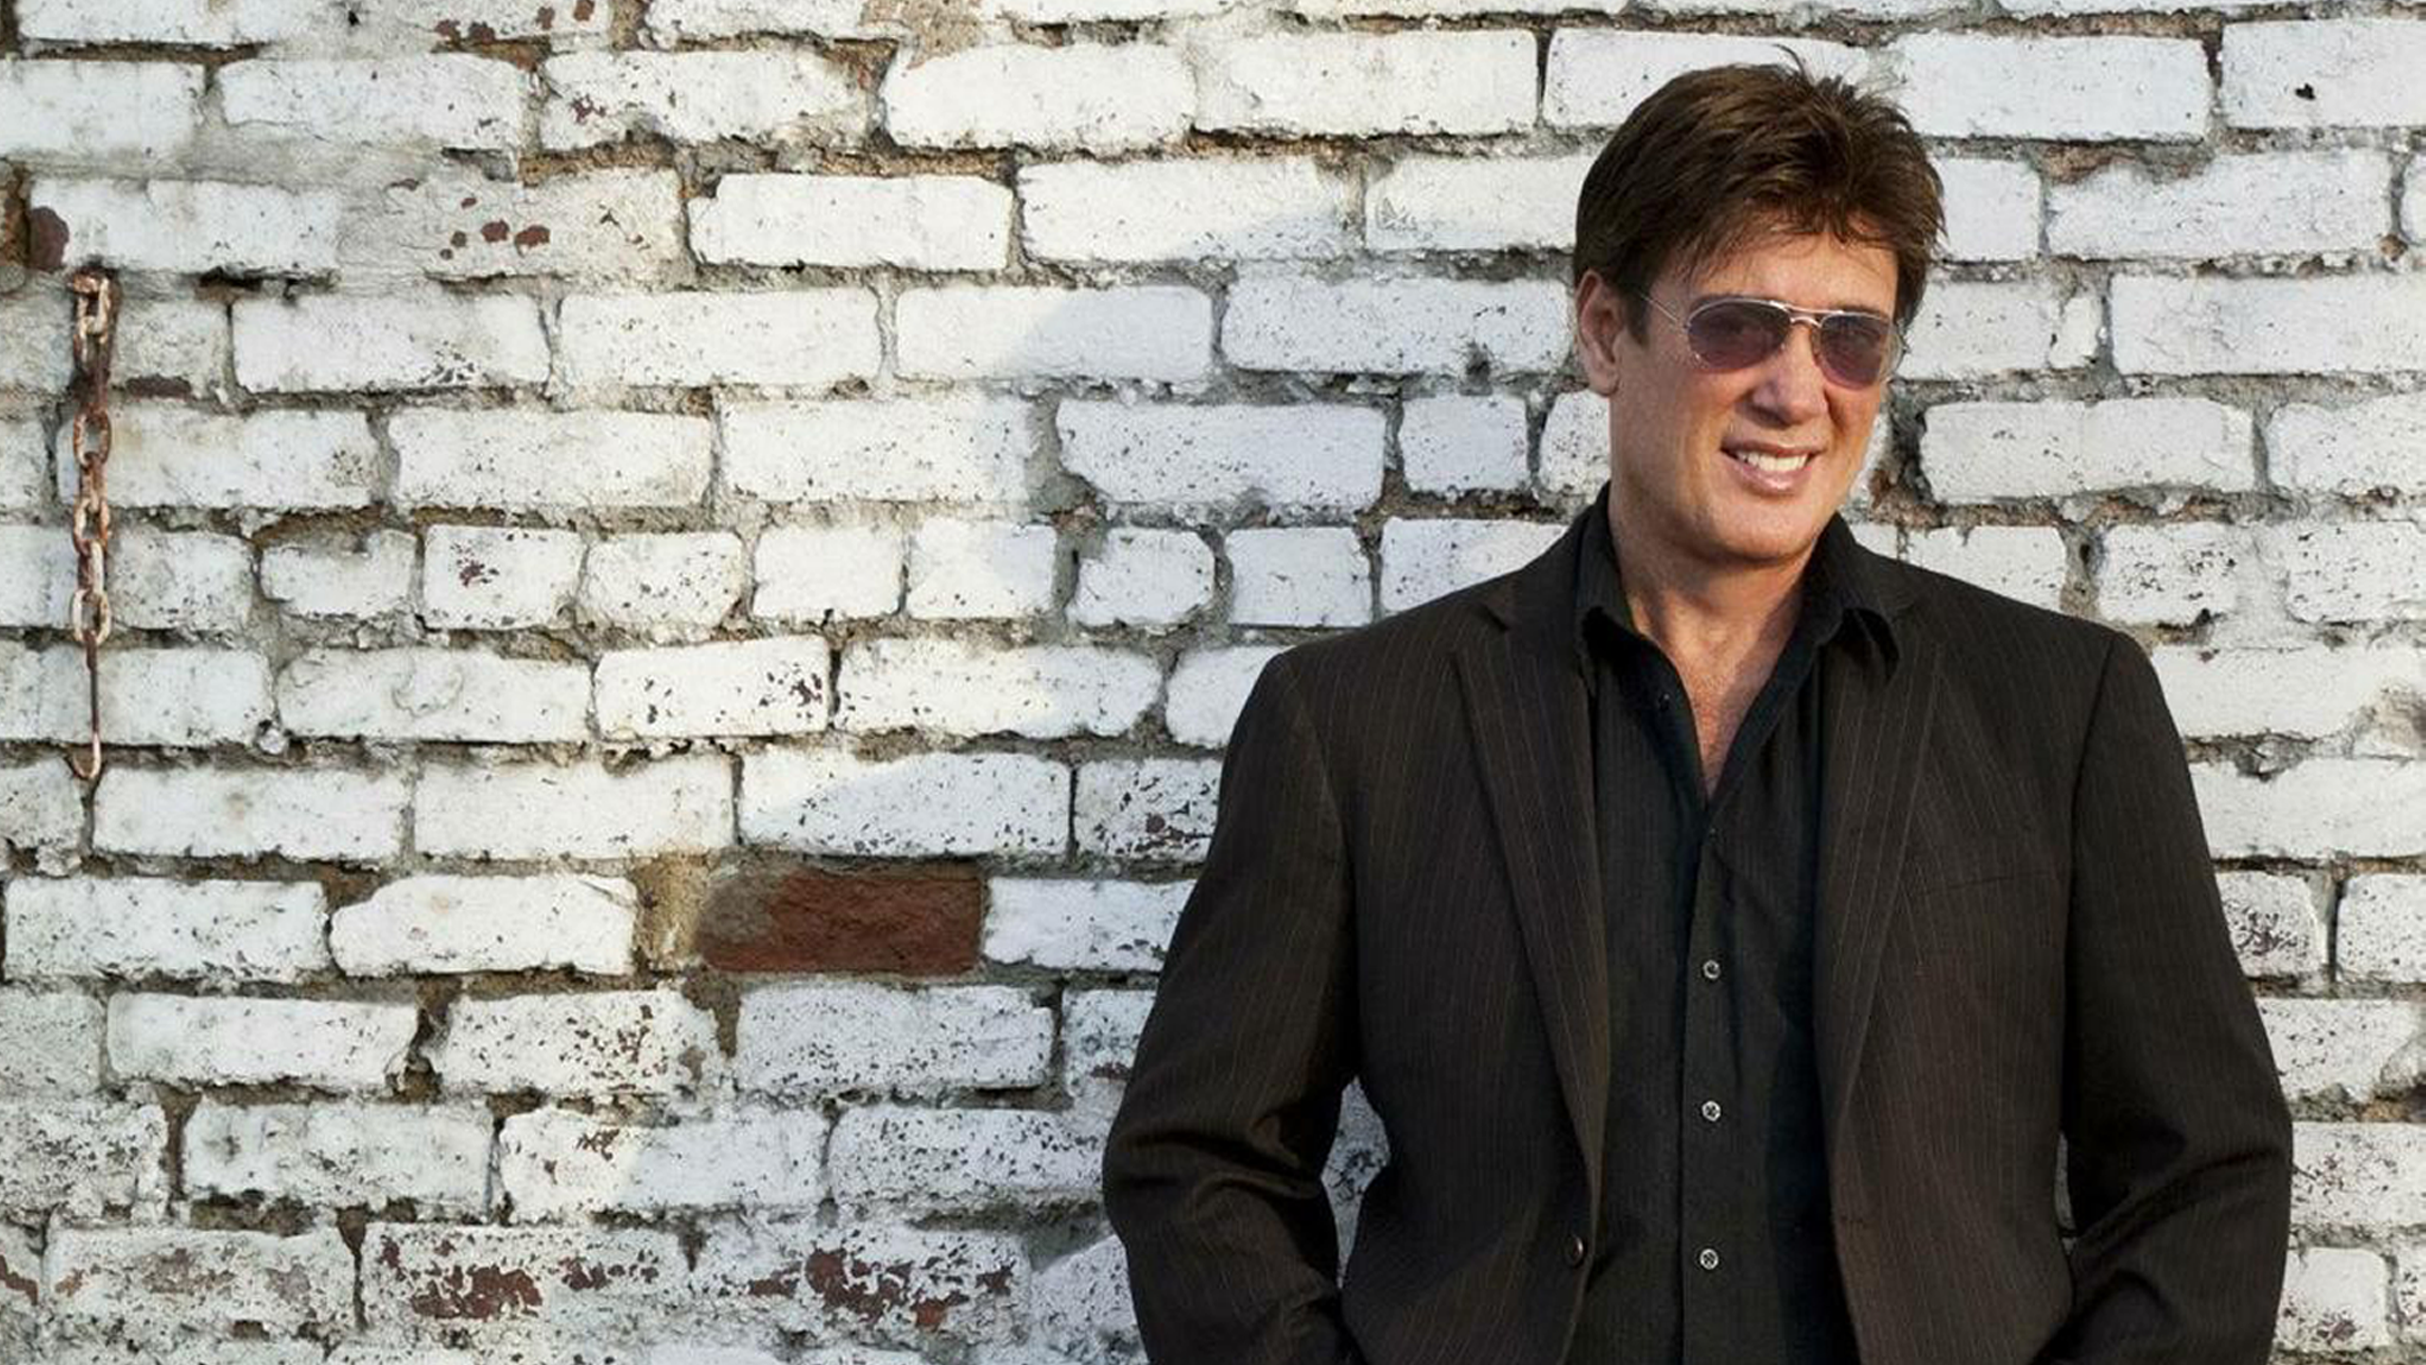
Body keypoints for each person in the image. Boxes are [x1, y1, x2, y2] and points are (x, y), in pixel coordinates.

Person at [1099, 54, 2294, 1365]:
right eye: (1738, 325)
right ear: (1605, 331)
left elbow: (2204, 1170)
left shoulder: (2060, 711)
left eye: (1849, 339)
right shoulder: (1354, 726)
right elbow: (1200, 1161)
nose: (1797, 389)